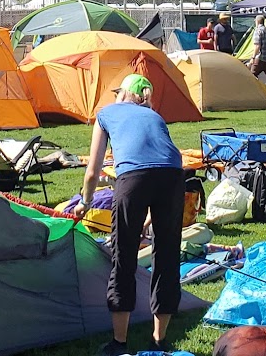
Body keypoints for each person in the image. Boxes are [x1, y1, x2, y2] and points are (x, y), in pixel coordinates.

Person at [78, 74, 183, 355]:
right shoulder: (155, 116)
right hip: (174, 177)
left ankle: (119, 343)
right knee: (167, 256)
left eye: (117, 93)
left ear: (124, 93)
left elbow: (93, 171)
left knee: (123, 256)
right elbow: (159, 163)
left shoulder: (106, 113)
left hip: (133, 178)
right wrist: (151, 213)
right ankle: (159, 341)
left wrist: (85, 202)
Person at [246, 14, 266, 91]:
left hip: (261, 58)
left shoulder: (258, 31)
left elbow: (257, 46)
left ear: (257, 21)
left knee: (252, 75)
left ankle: (255, 92)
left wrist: (253, 58)